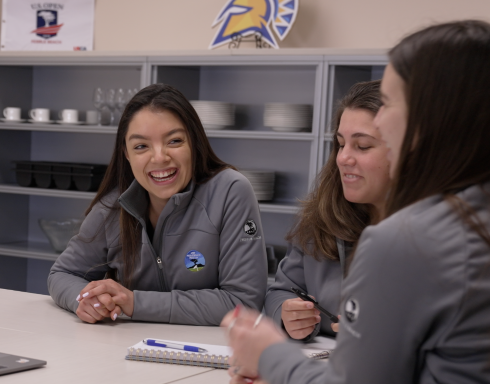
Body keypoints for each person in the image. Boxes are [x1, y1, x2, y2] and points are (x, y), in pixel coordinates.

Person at [223, 20, 490, 384]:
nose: (381, 118)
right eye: (341, 143)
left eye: (390, 104)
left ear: (433, 119)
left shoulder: (405, 241)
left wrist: (270, 356)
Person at [48, 83, 267, 326]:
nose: (160, 157)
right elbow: (63, 274)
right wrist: (84, 300)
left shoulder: (231, 191)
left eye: (174, 141)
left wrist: (135, 303)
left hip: (212, 354)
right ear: (127, 154)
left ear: (194, 142)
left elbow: (243, 302)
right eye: (141, 146)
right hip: (128, 350)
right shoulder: (112, 207)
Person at [265, 80, 388, 342]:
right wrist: (288, 316)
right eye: (341, 144)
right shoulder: (321, 216)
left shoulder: (432, 233)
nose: (343, 158)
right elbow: (282, 291)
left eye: (362, 146)